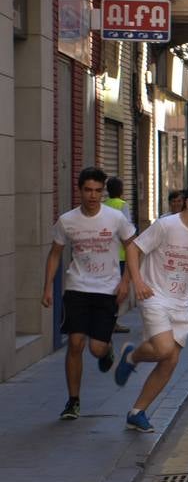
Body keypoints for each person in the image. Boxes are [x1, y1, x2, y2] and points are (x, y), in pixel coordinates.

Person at [113, 180, 188, 432]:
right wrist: (137, 282)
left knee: (170, 361)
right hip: (154, 295)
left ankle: (137, 412)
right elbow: (135, 249)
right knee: (163, 348)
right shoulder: (165, 225)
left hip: (180, 301)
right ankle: (133, 356)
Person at [42, 167, 137, 420]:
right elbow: (54, 254)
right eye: (88, 190)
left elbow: (132, 248)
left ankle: (107, 350)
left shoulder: (115, 218)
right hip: (77, 287)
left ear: (103, 191)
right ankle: (73, 401)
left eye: (98, 191)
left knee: (96, 349)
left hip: (107, 290)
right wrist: (48, 287)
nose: (93, 196)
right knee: (74, 343)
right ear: (80, 190)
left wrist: (127, 281)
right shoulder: (67, 220)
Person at [104, 176, 133, 333]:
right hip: (121, 255)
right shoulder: (123, 205)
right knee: (118, 290)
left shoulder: (104, 205)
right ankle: (113, 321)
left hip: (107, 253)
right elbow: (126, 230)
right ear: (121, 190)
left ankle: (108, 320)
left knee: (108, 289)